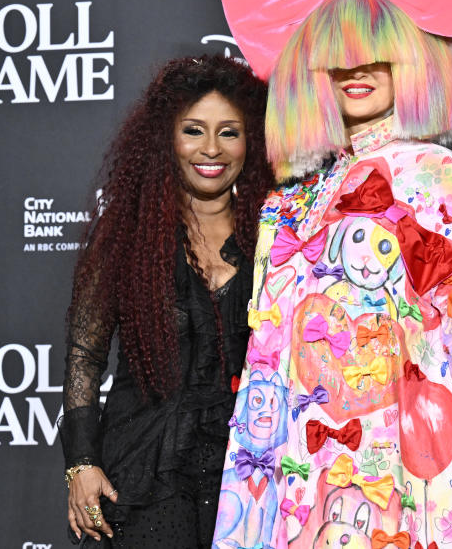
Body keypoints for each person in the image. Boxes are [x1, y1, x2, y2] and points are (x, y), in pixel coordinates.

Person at [212, 0, 452, 549]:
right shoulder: (297, 195)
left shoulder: (434, 170)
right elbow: (273, 347)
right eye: (337, 57)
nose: (355, 70)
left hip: (411, 447)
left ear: (413, 58)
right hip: (307, 455)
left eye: (375, 54)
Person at [61, 55, 274, 548]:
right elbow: (84, 357)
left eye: (229, 132)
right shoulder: (127, 236)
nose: (211, 149)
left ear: (252, 142)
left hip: (250, 474)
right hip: (145, 472)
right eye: (194, 130)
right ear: (167, 139)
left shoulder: (277, 236)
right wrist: (81, 463)